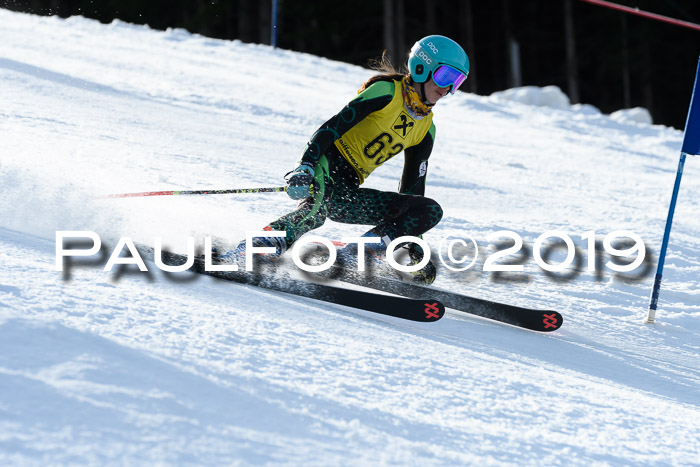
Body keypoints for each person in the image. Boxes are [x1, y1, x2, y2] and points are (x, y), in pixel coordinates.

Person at [222, 35, 470, 284]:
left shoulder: (426, 130)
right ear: (422, 67)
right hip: (327, 166)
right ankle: (251, 250)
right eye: (446, 77)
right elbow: (331, 128)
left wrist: (414, 244)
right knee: (314, 213)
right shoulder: (387, 92)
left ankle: (357, 254)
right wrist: (305, 166)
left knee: (429, 209)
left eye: (456, 82)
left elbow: (412, 191)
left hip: (348, 191)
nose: (447, 88)